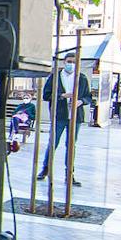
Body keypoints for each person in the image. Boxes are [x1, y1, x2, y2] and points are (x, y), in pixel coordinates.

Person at [38, 52, 93, 186]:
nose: (71, 64)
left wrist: (81, 101)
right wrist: (61, 95)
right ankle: (45, 169)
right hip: (60, 114)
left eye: (74, 62)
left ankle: (69, 174)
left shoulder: (82, 78)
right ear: (64, 62)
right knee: (53, 142)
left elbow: (88, 97)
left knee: (71, 145)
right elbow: (46, 95)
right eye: (69, 61)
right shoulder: (55, 77)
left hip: (75, 116)